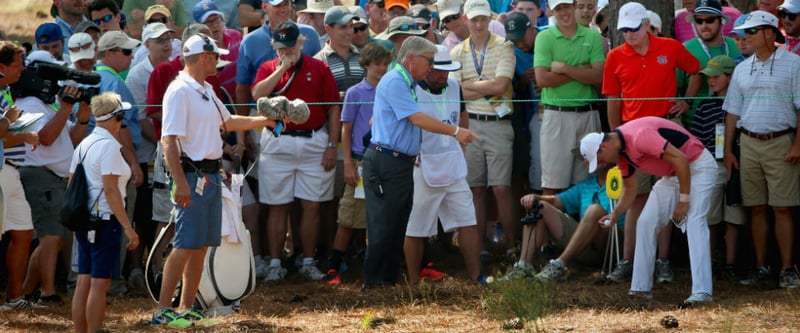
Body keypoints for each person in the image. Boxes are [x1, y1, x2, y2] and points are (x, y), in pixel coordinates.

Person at [152, 33, 282, 327]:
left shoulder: (206, 89)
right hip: (193, 174)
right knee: (184, 244)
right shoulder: (179, 91)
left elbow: (229, 122)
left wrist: (265, 121)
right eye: (216, 56)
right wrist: (180, 183)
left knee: (200, 245)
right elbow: (168, 140)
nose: (220, 61)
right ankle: (162, 310)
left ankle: (187, 307)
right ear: (205, 58)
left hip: (209, 175)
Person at [362, 36, 477, 290]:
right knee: (384, 225)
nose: (431, 68)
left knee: (395, 225)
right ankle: (374, 286)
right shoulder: (395, 82)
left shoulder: (407, 82)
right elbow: (416, 118)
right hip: (388, 161)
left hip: (403, 161)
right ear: (412, 58)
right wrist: (456, 132)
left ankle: (387, 284)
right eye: (429, 62)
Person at [602, 2, 703, 284]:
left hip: (666, 131)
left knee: (667, 197)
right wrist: (616, 135)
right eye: (624, 30)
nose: (629, 35)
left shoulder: (670, 47)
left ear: (647, 25)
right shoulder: (615, 56)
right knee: (636, 198)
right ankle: (628, 261)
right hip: (632, 137)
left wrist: (687, 101)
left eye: (634, 29)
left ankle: (662, 261)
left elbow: (697, 70)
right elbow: (613, 97)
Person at [580, 116, 716, 306]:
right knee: (644, 222)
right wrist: (615, 214)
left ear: (604, 147)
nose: (602, 165)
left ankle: (702, 293)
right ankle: (640, 289)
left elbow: (681, 159)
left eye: (600, 160)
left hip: (698, 167)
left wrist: (684, 201)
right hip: (673, 175)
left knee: (694, 221)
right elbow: (630, 189)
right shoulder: (621, 154)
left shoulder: (639, 136)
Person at [251, 22, 341, 282]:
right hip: (279, 140)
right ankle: (276, 261)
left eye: (290, 46)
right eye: (280, 47)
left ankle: (308, 259)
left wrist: (331, 145)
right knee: (277, 205)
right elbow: (257, 95)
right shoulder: (269, 68)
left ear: (300, 43)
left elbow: (333, 108)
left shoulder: (319, 67)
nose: (286, 51)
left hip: (313, 140)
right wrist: (281, 68)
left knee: (311, 205)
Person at [724, 10, 800, 289]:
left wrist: (798, 143)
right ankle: (760, 267)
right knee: (755, 208)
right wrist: (729, 151)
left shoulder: (794, 64)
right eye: (746, 32)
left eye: (752, 31)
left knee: (782, 208)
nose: (746, 37)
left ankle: (787, 269)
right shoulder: (742, 67)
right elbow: (732, 112)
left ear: (770, 33)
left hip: (782, 141)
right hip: (749, 144)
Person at [403, 45, 482, 285]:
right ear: (427, 67)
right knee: (416, 227)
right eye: (439, 71)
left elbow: (462, 114)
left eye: (447, 71)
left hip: (453, 164)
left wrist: (461, 148)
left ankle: (476, 277)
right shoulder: (412, 89)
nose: (443, 76)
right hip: (422, 163)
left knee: (468, 220)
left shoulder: (455, 86)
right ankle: (414, 282)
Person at [450, 0, 517, 263]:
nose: (478, 24)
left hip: (499, 125)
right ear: (466, 19)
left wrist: (472, 84)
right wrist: (484, 85)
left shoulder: (504, 46)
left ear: (489, 19)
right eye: (474, 19)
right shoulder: (457, 52)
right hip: (470, 123)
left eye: (482, 19)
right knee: (475, 189)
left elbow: (501, 86)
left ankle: (512, 247)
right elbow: (455, 92)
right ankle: (479, 247)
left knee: (501, 188)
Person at [70, 92, 139, 333]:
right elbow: (111, 190)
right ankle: (94, 329)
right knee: (100, 283)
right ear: (115, 117)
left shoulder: (84, 144)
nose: (122, 122)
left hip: (84, 220)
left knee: (84, 280)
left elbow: (72, 183)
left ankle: (82, 329)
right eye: (121, 117)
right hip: (104, 220)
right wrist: (128, 228)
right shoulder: (109, 146)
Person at [325, 43, 393, 285]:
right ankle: (334, 266)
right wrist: (349, 165)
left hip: (386, 159)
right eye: (378, 64)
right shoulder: (355, 93)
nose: (382, 69)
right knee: (349, 216)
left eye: (386, 64)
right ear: (366, 66)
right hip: (360, 159)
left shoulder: (392, 90)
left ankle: (378, 267)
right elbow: (347, 128)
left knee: (381, 218)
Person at [534, 0, 605, 195]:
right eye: (558, 8)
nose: (564, 12)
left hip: (588, 114)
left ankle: (582, 226)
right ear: (551, 11)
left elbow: (598, 76)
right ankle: (558, 226)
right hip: (557, 116)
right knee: (553, 185)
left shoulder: (592, 36)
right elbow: (542, 79)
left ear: (574, 6)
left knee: (588, 184)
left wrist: (565, 68)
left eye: (566, 6)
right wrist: (581, 71)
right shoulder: (544, 37)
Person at [685, 55, 745, 281]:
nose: (711, 81)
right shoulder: (705, 106)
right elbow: (697, 138)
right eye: (709, 77)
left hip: (736, 165)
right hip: (711, 166)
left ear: (730, 77)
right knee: (709, 218)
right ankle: (707, 262)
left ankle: (730, 264)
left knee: (733, 217)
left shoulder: (743, 102)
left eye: (716, 77)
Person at [508, 167, 626, 281]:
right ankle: (523, 266)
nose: (588, 159)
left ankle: (559, 265)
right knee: (538, 206)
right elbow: (556, 201)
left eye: (599, 151)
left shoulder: (627, 181)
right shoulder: (584, 185)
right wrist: (536, 197)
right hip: (585, 247)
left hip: (614, 246)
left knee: (595, 210)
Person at [0, 41, 41, 311]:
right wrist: (24, 133)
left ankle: (15, 299)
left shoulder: (5, 93)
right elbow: (1, 133)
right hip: (2, 171)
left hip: (11, 173)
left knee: (24, 233)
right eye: (17, 64)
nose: (22, 69)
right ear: (2, 67)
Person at [678, 0, 741, 124]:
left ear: (721, 21)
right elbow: (676, 89)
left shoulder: (737, 46)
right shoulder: (684, 49)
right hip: (694, 124)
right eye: (699, 21)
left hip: (734, 121)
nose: (704, 25)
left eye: (710, 20)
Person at [504, 12, 542, 193]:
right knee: (536, 163)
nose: (519, 44)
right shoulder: (512, 52)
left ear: (532, 30)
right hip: (533, 114)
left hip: (560, 106)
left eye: (521, 39)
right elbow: (514, 90)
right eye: (515, 41)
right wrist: (523, 81)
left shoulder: (547, 37)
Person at [193, 0, 243, 94]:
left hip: (242, 100)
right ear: (197, 26)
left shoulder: (236, 36)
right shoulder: (196, 51)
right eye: (208, 22)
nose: (215, 25)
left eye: (216, 19)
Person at [439, 0, 507, 51]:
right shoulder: (447, 46)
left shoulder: (494, 27)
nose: (452, 22)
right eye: (446, 20)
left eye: (455, 16)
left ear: (464, 13)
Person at [122, 0, 188, 40]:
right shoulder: (132, 1)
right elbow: (134, 33)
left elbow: (182, 34)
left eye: (163, 19)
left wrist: (144, 17)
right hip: (140, 48)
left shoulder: (176, 2)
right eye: (152, 21)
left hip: (171, 44)